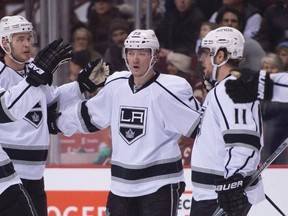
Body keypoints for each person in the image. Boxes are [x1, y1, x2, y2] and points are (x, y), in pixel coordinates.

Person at [51, 29, 201, 216]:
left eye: (141, 53)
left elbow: (201, 128)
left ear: (154, 56)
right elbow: (90, 115)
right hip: (121, 187)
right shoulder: (116, 83)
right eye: (131, 53)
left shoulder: (172, 89)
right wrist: (55, 123)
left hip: (159, 185)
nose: (135, 59)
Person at [0, 15, 104, 216]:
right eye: (20, 39)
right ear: (5, 43)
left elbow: (50, 102)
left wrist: (80, 86)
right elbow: (7, 109)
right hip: (7, 174)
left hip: (35, 172)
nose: (27, 44)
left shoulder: (34, 71)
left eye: (29, 38)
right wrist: (36, 77)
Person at [190, 26, 265, 216]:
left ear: (220, 56)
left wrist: (233, 181)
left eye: (206, 53)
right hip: (212, 193)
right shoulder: (224, 88)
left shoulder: (230, 89)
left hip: (218, 195)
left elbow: (245, 141)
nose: (201, 59)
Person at [215, 7, 265, 71]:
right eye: (226, 20)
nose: (229, 24)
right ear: (220, 24)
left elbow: (259, 72)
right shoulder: (210, 45)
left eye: (234, 21)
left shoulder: (251, 46)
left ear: (239, 25)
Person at [259, 53, 288, 164]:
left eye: (273, 68)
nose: (269, 71)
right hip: (266, 131)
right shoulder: (258, 89)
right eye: (266, 68)